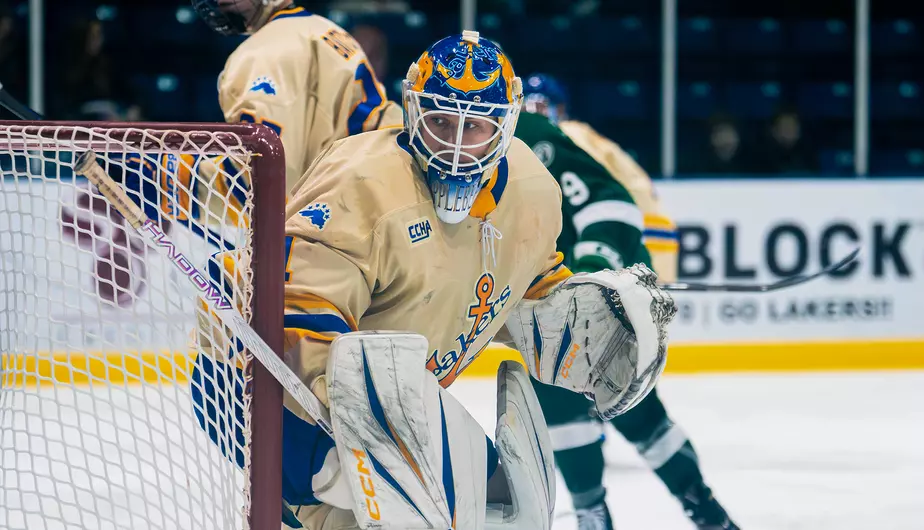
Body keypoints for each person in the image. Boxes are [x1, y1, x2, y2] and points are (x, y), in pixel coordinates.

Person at [192, 31, 677, 529]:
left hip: (389, 387)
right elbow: (300, 318)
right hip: (254, 380)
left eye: (476, 128)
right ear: (413, 110)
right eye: (441, 121)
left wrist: (568, 318)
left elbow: (527, 283)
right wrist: (372, 445)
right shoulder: (361, 181)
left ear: (505, 128)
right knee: (408, 518)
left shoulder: (533, 190)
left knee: (508, 512)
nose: (456, 146)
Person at [518, 73, 739, 530]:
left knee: (628, 412)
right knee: (577, 411)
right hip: (557, 300)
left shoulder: (563, 140)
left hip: (599, 291)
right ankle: (690, 509)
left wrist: (608, 274)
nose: (536, 115)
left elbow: (622, 207)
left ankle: (678, 507)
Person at [192, 0, 403, 193]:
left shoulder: (265, 51)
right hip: (389, 173)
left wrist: (182, 183)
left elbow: (269, 176)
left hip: (364, 192)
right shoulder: (323, 27)